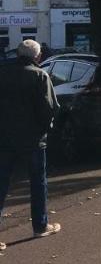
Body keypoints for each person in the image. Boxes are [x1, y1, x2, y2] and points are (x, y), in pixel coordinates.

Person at [0, 39, 62, 250]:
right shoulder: (39, 75)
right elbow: (49, 108)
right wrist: (46, 128)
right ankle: (40, 226)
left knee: (1, 184)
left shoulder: (3, 73)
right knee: (37, 183)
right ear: (38, 57)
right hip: (33, 139)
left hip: (4, 138)